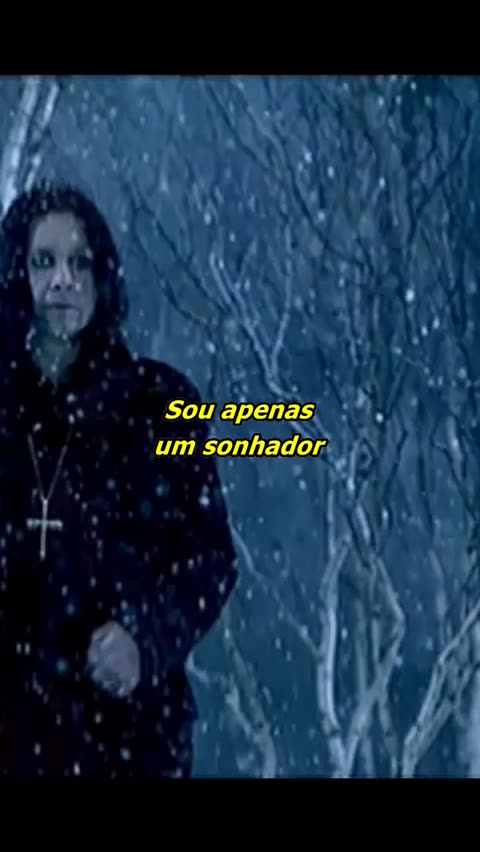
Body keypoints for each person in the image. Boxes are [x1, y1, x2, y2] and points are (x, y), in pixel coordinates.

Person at [0, 181, 238, 778]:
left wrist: (144, 638)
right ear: (16, 273)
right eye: (44, 261)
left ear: (102, 276)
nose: (62, 280)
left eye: (79, 262)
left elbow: (209, 557)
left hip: (131, 738)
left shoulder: (161, 404)